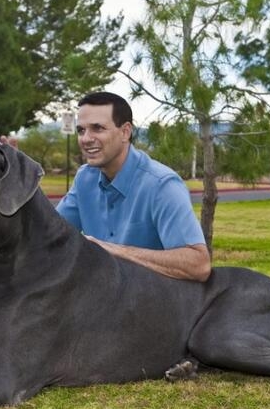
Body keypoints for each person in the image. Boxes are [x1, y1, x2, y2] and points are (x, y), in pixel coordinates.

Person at [55, 91, 211, 282]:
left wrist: (113, 251)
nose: (86, 139)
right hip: (101, 300)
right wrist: (15, 175)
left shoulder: (162, 185)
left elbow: (199, 264)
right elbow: (50, 234)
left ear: (125, 132)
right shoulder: (84, 178)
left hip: (154, 304)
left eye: (98, 128)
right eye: (81, 130)